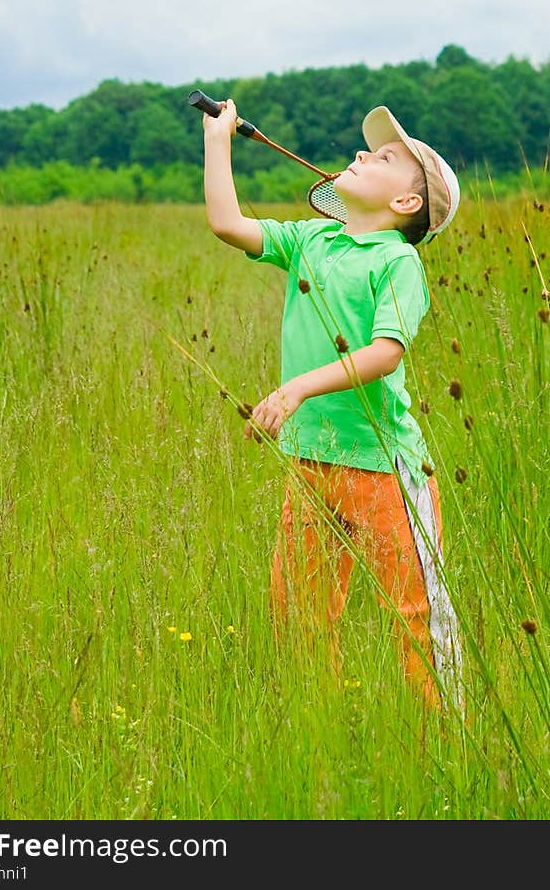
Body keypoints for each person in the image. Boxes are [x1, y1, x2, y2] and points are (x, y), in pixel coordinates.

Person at [202, 98, 463, 711]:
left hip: (385, 469)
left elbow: (384, 354)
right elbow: (227, 223)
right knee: (299, 614)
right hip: (313, 463)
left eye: (383, 157)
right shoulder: (311, 239)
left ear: (407, 204)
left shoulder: (397, 261)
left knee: (416, 615)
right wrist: (219, 141)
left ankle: (446, 743)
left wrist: (298, 386)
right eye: (366, 148)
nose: (360, 153)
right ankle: (316, 743)